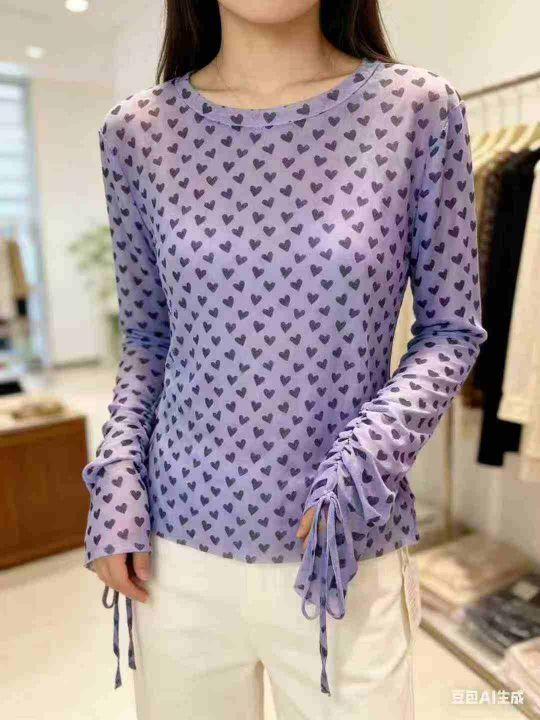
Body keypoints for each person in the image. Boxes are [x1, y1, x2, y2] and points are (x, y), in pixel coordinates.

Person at [81, 0, 488, 717]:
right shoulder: (137, 132)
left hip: (345, 546)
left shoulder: (416, 110)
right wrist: (117, 482)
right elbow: (148, 339)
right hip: (178, 556)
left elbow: (451, 329)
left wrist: (368, 456)